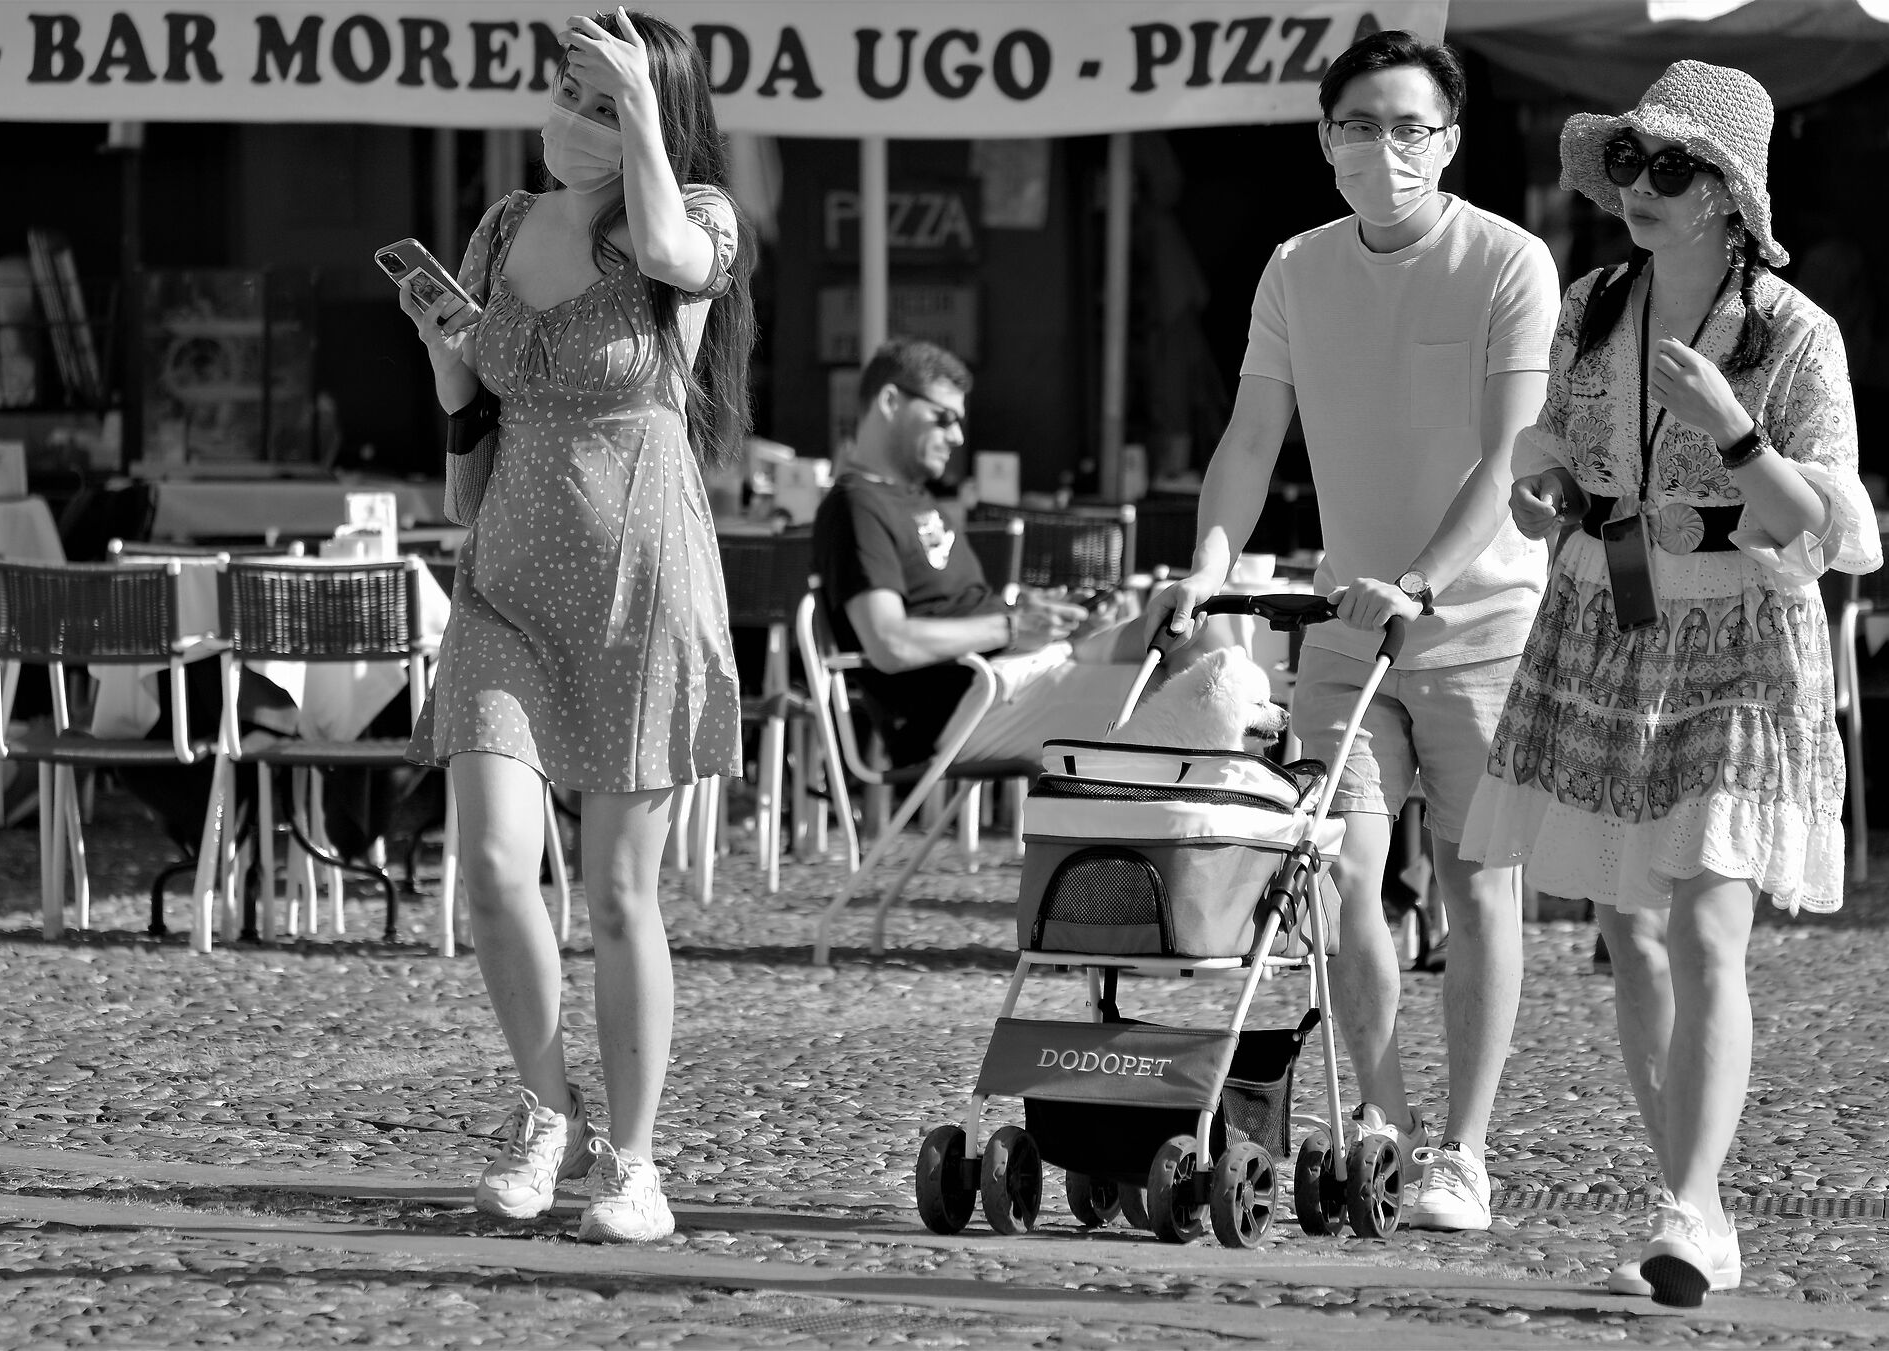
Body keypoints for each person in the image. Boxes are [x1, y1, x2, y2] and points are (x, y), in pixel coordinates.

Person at [1459, 61, 1880, 1306]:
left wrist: (1736, 432)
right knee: (1628, 933)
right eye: (1632, 164)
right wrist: (1542, 490)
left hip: (1742, 632)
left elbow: (1828, 527)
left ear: (1732, 196)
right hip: (1608, 614)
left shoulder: (1795, 333)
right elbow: (1556, 491)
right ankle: (1684, 1191)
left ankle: (1692, 1210)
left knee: (1707, 922)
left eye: (1674, 168)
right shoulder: (1590, 304)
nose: (1641, 187)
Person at [1147, 29, 1559, 1234]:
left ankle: (1464, 1150)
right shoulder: (1296, 268)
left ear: (1451, 141)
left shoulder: (1509, 262)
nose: (1386, 149)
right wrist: (1206, 566)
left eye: (1410, 127)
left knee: (1483, 887)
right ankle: (1378, 1124)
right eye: (1360, 126)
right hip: (1340, 629)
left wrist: (1425, 581)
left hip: (1482, 624)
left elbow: (1506, 454)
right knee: (1333, 872)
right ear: (1325, 139)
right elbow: (1248, 439)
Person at [401, 5, 755, 1244]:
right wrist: (449, 359)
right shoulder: (503, 224)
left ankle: (636, 1158)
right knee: (496, 870)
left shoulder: (694, 213)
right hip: (506, 579)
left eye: (599, 104)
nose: (570, 120)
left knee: (617, 895)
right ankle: (545, 1110)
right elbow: (472, 432)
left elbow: (671, 255)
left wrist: (645, 114)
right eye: (566, 92)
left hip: (638, 587)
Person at [813, 339, 1211, 771]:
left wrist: (1038, 615)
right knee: (1191, 694)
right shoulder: (856, 506)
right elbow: (890, 643)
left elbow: (956, 611)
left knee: (1202, 638)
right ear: (890, 401)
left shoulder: (917, 501)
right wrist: (1011, 626)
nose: (957, 436)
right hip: (960, 708)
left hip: (1013, 676)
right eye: (944, 418)